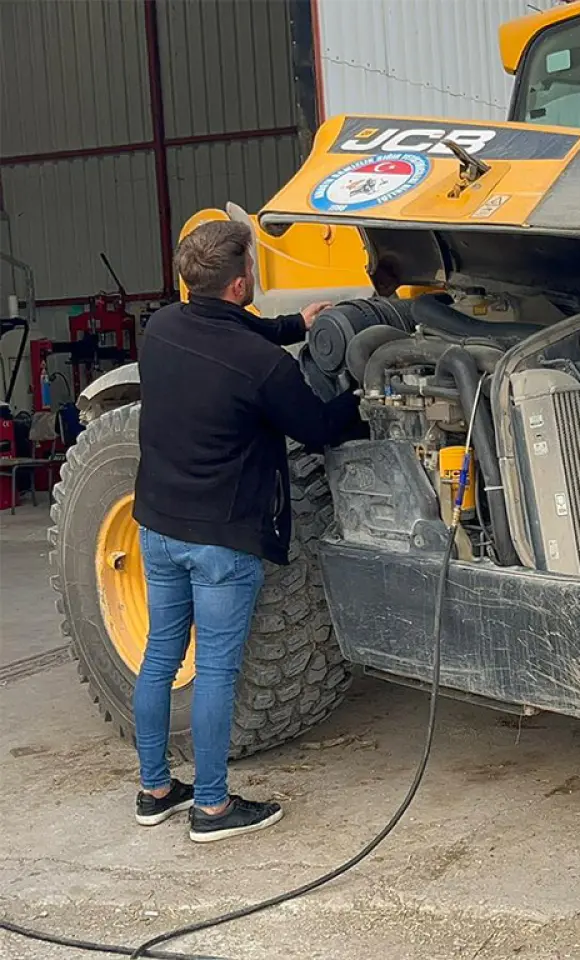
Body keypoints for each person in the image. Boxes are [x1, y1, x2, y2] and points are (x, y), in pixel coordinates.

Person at [130, 220, 359, 842]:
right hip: (221, 541)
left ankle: (154, 790)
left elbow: (230, 332)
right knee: (217, 673)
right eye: (252, 271)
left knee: (160, 656)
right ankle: (211, 808)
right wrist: (365, 397)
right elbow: (318, 429)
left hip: (157, 524)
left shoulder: (161, 327)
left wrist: (297, 324)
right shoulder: (262, 367)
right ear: (240, 284)